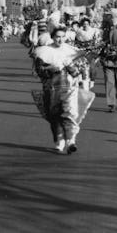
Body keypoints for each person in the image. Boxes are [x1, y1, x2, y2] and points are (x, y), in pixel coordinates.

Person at [33, 26, 93, 154]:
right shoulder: (44, 52)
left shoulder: (71, 51)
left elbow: (78, 71)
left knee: (70, 114)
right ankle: (59, 140)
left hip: (69, 87)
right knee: (54, 115)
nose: (60, 39)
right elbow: (38, 71)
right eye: (57, 37)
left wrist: (69, 65)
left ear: (65, 37)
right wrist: (51, 68)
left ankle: (71, 141)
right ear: (53, 38)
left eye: (62, 37)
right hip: (52, 88)